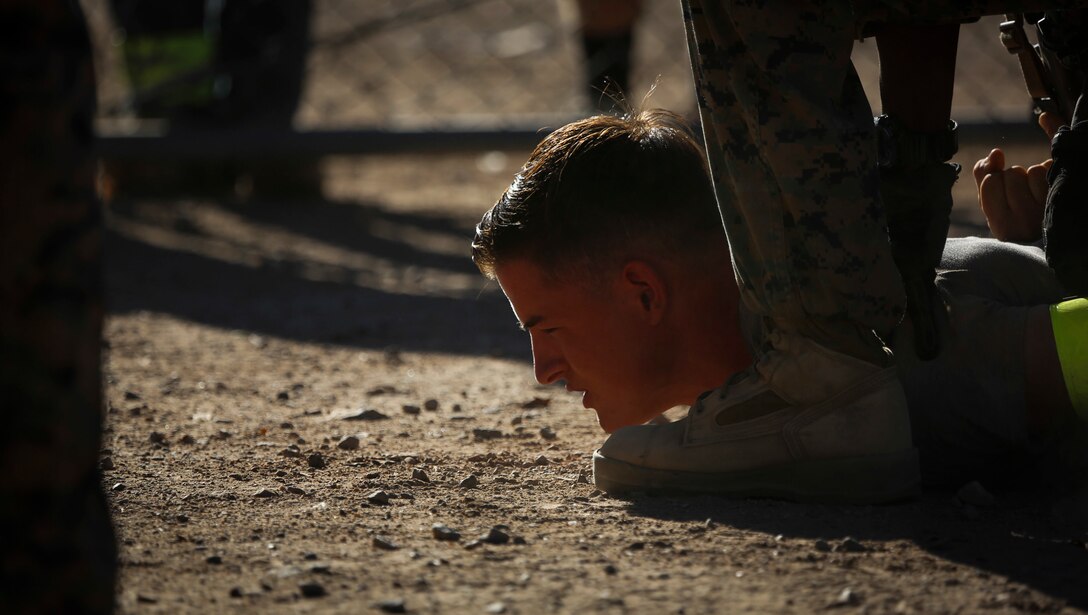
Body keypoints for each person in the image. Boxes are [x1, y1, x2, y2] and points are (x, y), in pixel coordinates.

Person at [472, 109, 1087, 499]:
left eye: (545, 327)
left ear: (644, 292)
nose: (542, 370)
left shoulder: (880, 346)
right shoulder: (820, 324)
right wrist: (1033, 254)